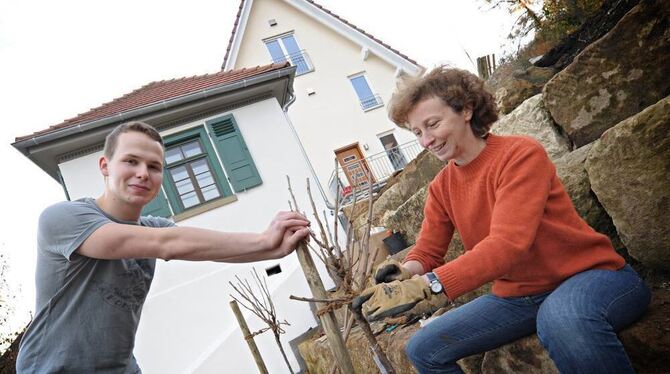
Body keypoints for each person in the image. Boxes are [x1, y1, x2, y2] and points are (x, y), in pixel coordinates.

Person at [352, 66, 650, 373]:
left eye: (433, 124)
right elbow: (428, 251)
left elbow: (507, 245)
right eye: (417, 132)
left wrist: (428, 287)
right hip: (521, 298)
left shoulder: (519, 155)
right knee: (424, 348)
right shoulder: (442, 187)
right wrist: (403, 272)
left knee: (560, 318)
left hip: (593, 277)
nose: (426, 140)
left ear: (466, 110)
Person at [16, 121, 311, 373]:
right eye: (131, 161)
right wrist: (262, 239)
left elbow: (205, 248)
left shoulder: (154, 227)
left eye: (154, 167)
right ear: (105, 166)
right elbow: (168, 245)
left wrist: (273, 250)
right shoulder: (64, 219)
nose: (143, 173)